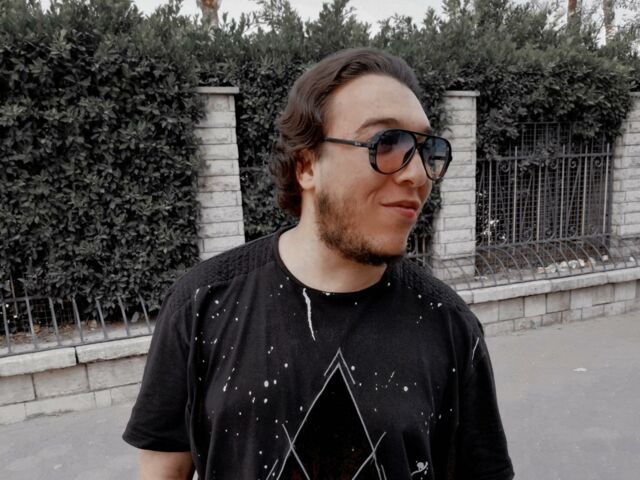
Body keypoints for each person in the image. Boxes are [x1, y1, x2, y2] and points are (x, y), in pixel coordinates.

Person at [123, 47, 514, 480]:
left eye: (426, 150)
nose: (418, 175)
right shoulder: (202, 304)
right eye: (387, 143)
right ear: (307, 165)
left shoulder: (450, 325)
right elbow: (163, 467)